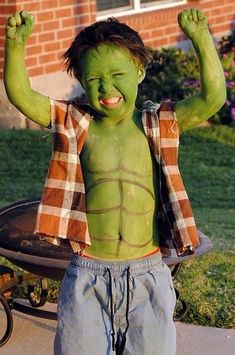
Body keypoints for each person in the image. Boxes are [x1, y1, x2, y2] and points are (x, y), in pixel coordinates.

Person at [4, 8, 226, 355]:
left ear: (139, 71)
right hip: (89, 274)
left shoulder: (157, 125)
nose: (106, 87)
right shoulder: (78, 125)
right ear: (81, 80)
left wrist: (201, 38)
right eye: (94, 80)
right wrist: (15, 47)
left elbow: (212, 99)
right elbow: (23, 97)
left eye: (117, 74)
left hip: (147, 272)